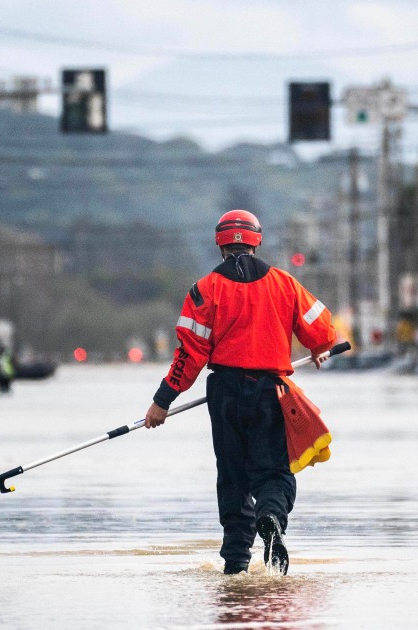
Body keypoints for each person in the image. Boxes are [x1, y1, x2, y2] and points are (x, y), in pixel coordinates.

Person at [144, 209, 336, 576]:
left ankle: (235, 561)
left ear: (219, 244)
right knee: (274, 473)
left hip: (225, 394)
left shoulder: (204, 290)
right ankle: (271, 516)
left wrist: (162, 401)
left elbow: (189, 356)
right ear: (257, 239)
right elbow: (322, 331)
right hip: (271, 392)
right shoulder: (285, 284)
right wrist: (319, 347)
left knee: (232, 476)